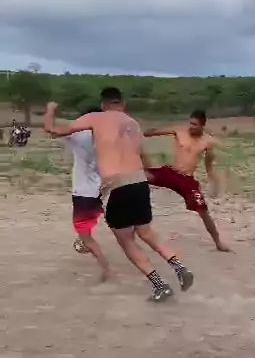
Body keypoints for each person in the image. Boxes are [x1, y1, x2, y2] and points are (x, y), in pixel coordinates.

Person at [44, 87, 194, 302]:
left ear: (103, 104)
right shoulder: (133, 123)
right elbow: (142, 154)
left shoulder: (96, 117)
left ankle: (160, 286)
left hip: (117, 185)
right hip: (139, 181)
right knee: (146, 232)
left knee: (126, 241)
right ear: (122, 103)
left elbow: (52, 129)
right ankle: (179, 266)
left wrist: (51, 109)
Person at [144, 109, 230, 252]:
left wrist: (213, 182)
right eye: (190, 123)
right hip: (170, 173)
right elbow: (150, 133)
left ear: (202, 126)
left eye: (195, 125)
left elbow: (209, 165)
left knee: (203, 210)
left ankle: (218, 242)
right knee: (138, 176)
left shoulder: (208, 142)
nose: (191, 127)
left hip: (186, 180)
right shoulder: (179, 131)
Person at [59, 105, 110, 279]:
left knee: (85, 234)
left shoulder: (78, 134)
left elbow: (51, 129)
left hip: (83, 192)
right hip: (102, 188)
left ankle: (106, 269)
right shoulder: (107, 137)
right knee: (93, 222)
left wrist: (50, 110)